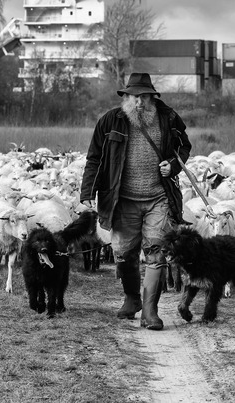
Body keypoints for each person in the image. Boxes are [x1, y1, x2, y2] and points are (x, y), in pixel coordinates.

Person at [79, 72, 192, 330]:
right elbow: (94, 157)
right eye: (133, 97)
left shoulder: (169, 118)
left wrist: (173, 165)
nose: (139, 102)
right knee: (123, 253)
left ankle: (150, 312)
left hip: (158, 198)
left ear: (152, 97)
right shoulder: (110, 121)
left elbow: (184, 148)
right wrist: (87, 191)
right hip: (122, 199)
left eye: (143, 96)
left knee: (156, 252)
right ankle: (132, 299)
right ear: (126, 97)